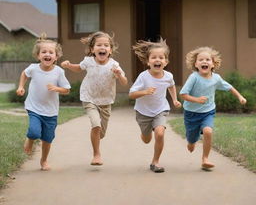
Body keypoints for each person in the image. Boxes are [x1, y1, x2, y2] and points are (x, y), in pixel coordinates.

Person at [61, 31, 127, 166]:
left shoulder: (114, 65)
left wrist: (119, 75)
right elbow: (78, 68)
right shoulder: (89, 61)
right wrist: (69, 66)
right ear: (92, 49)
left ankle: (96, 137)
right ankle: (96, 154)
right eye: (99, 45)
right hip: (89, 97)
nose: (102, 47)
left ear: (110, 50)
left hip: (106, 101)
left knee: (101, 133)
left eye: (106, 45)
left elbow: (124, 82)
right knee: (96, 125)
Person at [180, 46, 247, 170]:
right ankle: (191, 141)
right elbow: (183, 94)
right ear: (196, 64)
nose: (204, 62)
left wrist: (240, 97)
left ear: (213, 64)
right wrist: (197, 100)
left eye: (207, 60)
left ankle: (205, 159)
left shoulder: (216, 78)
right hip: (191, 113)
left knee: (208, 131)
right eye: (201, 60)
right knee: (191, 140)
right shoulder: (194, 77)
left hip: (208, 112)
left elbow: (229, 87)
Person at [16, 33, 71, 171]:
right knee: (34, 132)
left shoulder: (59, 72)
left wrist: (57, 88)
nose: (47, 54)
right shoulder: (33, 68)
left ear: (56, 57)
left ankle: (44, 160)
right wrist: (21, 86)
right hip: (34, 107)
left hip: (51, 112)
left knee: (47, 139)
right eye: (44, 52)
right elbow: (24, 74)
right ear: (38, 55)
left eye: (51, 52)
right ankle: (30, 139)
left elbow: (67, 90)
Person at [129, 39, 181, 173]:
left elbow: (171, 86)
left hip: (160, 110)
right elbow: (132, 94)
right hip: (143, 112)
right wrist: (145, 92)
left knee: (159, 133)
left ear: (166, 62)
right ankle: (145, 134)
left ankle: (155, 162)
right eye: (154, 57)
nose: (157, 60)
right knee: (146, 139)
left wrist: (174, 99)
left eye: (161, 57)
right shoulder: (143, 77)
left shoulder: (168, 76)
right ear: (148, 62)